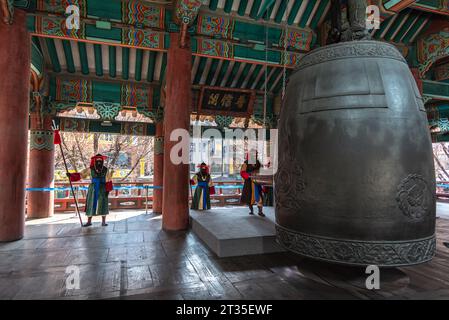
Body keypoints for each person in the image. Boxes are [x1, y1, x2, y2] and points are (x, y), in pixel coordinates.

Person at [67, 154, 113, 227]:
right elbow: (81, 175)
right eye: (97, 161)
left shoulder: (106, 170)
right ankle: (89, 221)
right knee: (91, 203)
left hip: (103, 188)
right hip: (93, 188)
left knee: (103, 203)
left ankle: (103, 222)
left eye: (100, 161)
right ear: (94, 161)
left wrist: (108, 189)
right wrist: (71, 175)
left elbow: (109, 180)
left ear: (102, 161)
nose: (99, 162)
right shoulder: (90, 169)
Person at [240, 150, 265, 217]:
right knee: (249, 198)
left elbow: (261, 170)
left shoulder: (258, 163)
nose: (255, 156)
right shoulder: (246, 163)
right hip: (249, 183)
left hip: (257, 182)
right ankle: (251, 210)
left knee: (260, 197)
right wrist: (249, 175)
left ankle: (260, 211)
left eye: (256, 155)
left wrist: (260, 173)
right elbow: (242, 172)